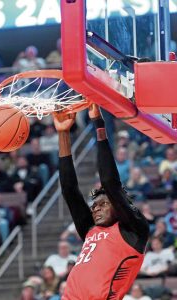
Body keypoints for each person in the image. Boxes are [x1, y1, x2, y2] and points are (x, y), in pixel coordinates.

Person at [54, 105, 149, 299]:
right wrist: (63, 133)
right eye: (94, 205)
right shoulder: (91, 229)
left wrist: (98, 123)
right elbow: (69, 190)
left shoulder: (133, 231)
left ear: (117, 205)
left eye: (103, 204)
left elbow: (109, 182)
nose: (95, 209)